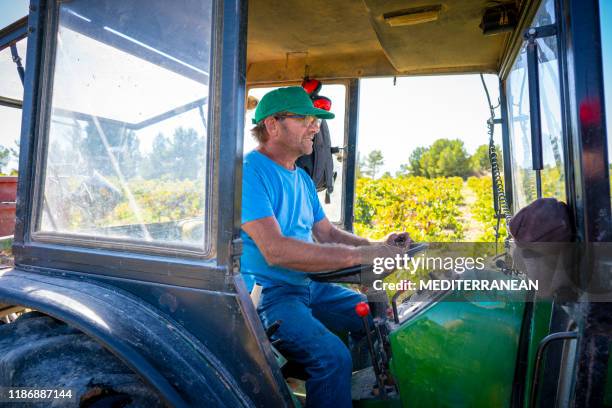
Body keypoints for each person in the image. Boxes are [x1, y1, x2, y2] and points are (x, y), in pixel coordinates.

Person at [241, 86, 409, 408]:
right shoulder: (251, 172)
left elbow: (327, 233)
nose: (316, 126)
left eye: (316, 120)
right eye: (305, 118)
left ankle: (359, 398)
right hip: (271, 294)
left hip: (310, 286)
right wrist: (363, 255)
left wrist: (377, 246)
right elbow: (275, 250)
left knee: (378, 324)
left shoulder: (302, 180)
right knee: (332, 358)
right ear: (273, 125)